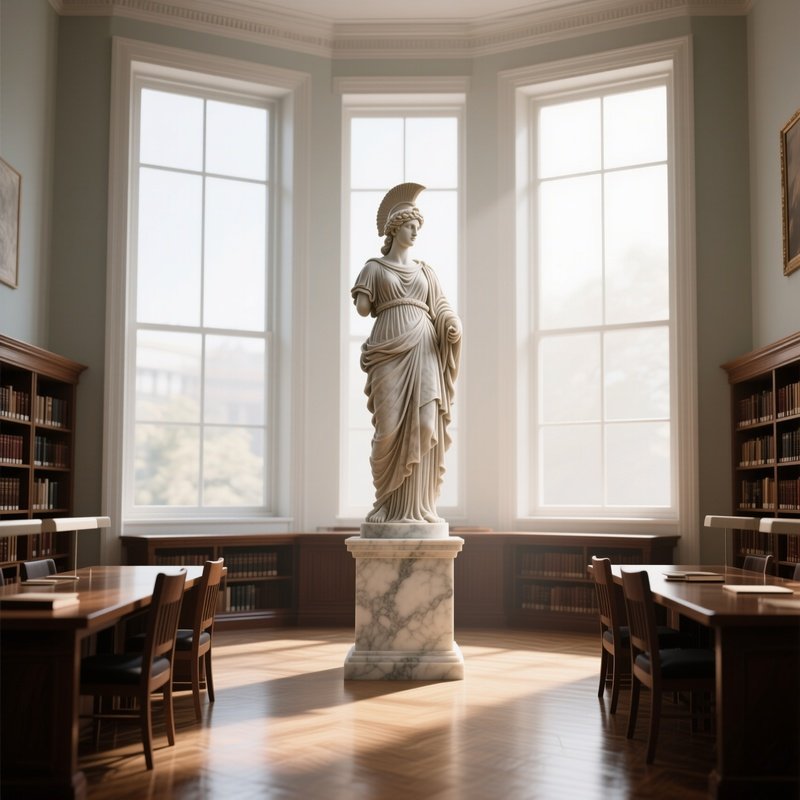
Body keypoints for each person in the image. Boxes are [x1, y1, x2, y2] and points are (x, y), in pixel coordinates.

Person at [351, 183, 461, 524]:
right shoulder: (374, 268)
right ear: (395, 228)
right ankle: (386, 503)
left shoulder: (426, 271)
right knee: (387, 431)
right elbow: (363, 308)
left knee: (427, 423)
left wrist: (452, 325)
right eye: (411, 226)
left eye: (418, 228)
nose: (415, 233)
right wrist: (363, 292)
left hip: (424, 346)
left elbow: (441, 307)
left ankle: (421, 507)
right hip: (388, 348)